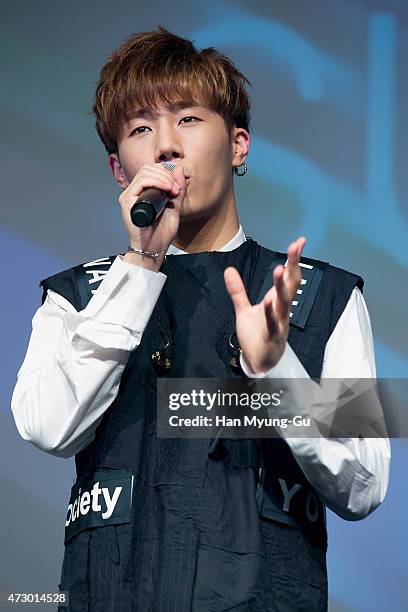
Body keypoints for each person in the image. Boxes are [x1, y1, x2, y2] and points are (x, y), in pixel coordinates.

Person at [11, 27, 390, 612]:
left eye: (187, 119)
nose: (165, 146)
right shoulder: (77, 296)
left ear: (238, 145)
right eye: (141, 129)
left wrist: (276, 370)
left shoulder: (322, 296)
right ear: (119, 170)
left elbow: (366, 482)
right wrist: (141, 265)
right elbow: (47, 426)